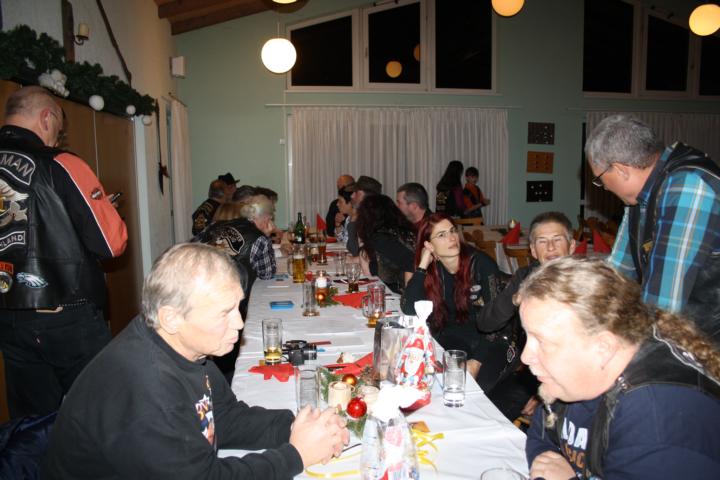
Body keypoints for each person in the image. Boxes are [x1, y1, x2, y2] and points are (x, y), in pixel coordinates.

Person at [41, 243, 349, 479]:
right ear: (171, 318)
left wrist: (295, 425)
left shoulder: (182, 347)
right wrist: (295, 455)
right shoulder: (146, 389)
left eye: (237, 307)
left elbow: (224, 417)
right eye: (224, 313)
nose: (239, 324)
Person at [519, 257, 720, 480]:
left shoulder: (659, 427)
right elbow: (541, 439)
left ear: (603, 348)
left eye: (542, 341)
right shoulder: (573, 379)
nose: (525, 357)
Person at [0, 86, 127, 419]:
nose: (57, 138)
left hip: (8, 316)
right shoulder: (61, 163)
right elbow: (112, 242)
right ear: (46, 117)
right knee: (102, 413)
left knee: (33, 423)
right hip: (65, 314)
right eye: (57, 128)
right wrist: (103, 210)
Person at [585, 114, 720, 341]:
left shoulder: (687, 186)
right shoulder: (641, 197)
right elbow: (618, 272)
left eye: (600, 178)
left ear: (620, 170)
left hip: (710, 335)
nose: (605, 188)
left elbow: (663, 303)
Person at [477, 212, 576, 420]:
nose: (550, 248)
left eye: (557, 239)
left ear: (572, 246)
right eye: (542, 241)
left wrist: (550, 390)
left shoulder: (584, 284)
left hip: (563, 376)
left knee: (491, 416)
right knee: (473, 399)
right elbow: (485, 323)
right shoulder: (525, 277)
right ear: (533, 250)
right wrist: (514, 300)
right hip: (521, 364)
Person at [401, 213, 509, 392]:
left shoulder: (482, 264)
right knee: (439, 382)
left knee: (477, 389)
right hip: (455, 339)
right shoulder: (432, 270)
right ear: (429, 245)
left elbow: (497, 321)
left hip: (492, 341)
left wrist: (476, 361)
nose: (451, 238)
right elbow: (409, 309)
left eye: (452, 231)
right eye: (441, 235)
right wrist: (422, 265)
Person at [355, 194, 415, 294]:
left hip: (399, 293)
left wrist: (362, 243)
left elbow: (368, 273)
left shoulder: (381, 239)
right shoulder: (402, 229)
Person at [345, 175, 382, 256]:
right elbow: (351, 248)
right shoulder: (366, 215)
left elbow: (356, 251)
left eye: (355, 192)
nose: (351, 196)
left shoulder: (376, 219)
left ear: (361, 194)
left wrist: (352, 223)